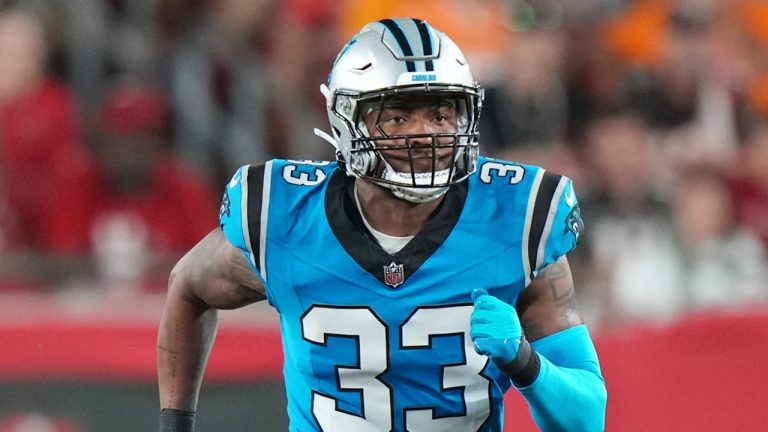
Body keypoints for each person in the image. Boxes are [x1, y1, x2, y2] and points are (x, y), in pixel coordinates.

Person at [157, 18, 606, 431]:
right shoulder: (285, 216)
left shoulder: (516, 217)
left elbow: (586, 419)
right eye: (397, 116)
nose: (424, 134)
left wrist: (527, 363)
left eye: (440, 114)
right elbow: (188, 287)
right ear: (346, 121)